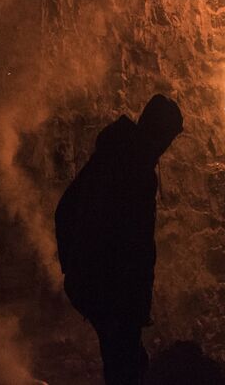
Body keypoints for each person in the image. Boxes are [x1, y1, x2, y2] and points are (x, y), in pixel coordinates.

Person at [54, 94, 184, 385]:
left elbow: (65, 209)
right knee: (127, 368)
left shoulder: (111, 157)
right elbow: (136, 247)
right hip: (113, 293)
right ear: (158, 133)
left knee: (123, 363)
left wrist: (73, 268)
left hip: (98, 287)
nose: (166, 148)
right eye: (167, 139)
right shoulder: (135, 171)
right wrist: (135, 305)